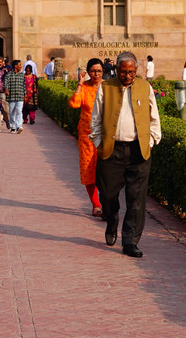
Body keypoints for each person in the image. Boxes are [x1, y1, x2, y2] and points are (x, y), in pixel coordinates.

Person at [89, 51, 162, 258]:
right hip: (112, 151)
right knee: (108, 194)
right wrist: (98, 143)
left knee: (136, 199)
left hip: (139, 151)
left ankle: (130, 241)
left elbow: (154, 117)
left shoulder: (144, 87)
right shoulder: (106, 87)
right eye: (123, 72)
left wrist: (151, 140)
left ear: (136, 70)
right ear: (117, 70)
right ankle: (111, 222)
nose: (127, 76)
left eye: (131, 72)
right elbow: (96, 118)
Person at [68, 57, 104, 217]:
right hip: (87, 135)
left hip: (105, 135)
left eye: (99, 71)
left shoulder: (108, 87)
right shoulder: (85, 87)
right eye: (93, 71)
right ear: (88, 72)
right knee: (89, 168)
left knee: (106, 170)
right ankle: (96, 204)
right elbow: (74, 104)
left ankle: (107, 203)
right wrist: (80, 83)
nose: (96, 74)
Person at [5, 58, 27, 132]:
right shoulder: (9, 75)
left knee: (19, 111)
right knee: (11, 112)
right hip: (12, 96)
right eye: (19, 65)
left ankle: (19, 126)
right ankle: (12, 126)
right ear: (15, 66)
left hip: (20, 96)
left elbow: (24, 85)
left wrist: (25, 94)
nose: (21, 66)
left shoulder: (22, 75)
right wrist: (6, 89)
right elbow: (6, 84)